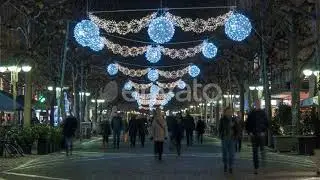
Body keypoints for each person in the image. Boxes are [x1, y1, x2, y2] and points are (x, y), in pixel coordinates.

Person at [246, 102, 269, 175]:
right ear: (254, 105)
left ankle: (264, 167)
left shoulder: (263, 113)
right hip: (254, 135)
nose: (257, 105)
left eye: (258, 104)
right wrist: (250, 132)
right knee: (255, 153)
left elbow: (267, 123)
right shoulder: (251, 114)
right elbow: (247, 124)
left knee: (262, 152)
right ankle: (256, 168)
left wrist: (264, 131)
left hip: (261, 135)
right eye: (256, 104)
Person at [219, 107, 239, 174]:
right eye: (228, 111)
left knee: (231, 154)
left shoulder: (234, 120)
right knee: (224, 153)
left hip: (232, 139)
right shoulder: (222, 120)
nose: (229, 113)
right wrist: (222, 135)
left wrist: (235, 135)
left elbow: (237, 129)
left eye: (230, 111)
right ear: (225, 112)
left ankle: (230, 166)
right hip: (225, 138)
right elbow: (220, 129)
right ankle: (225, 164)